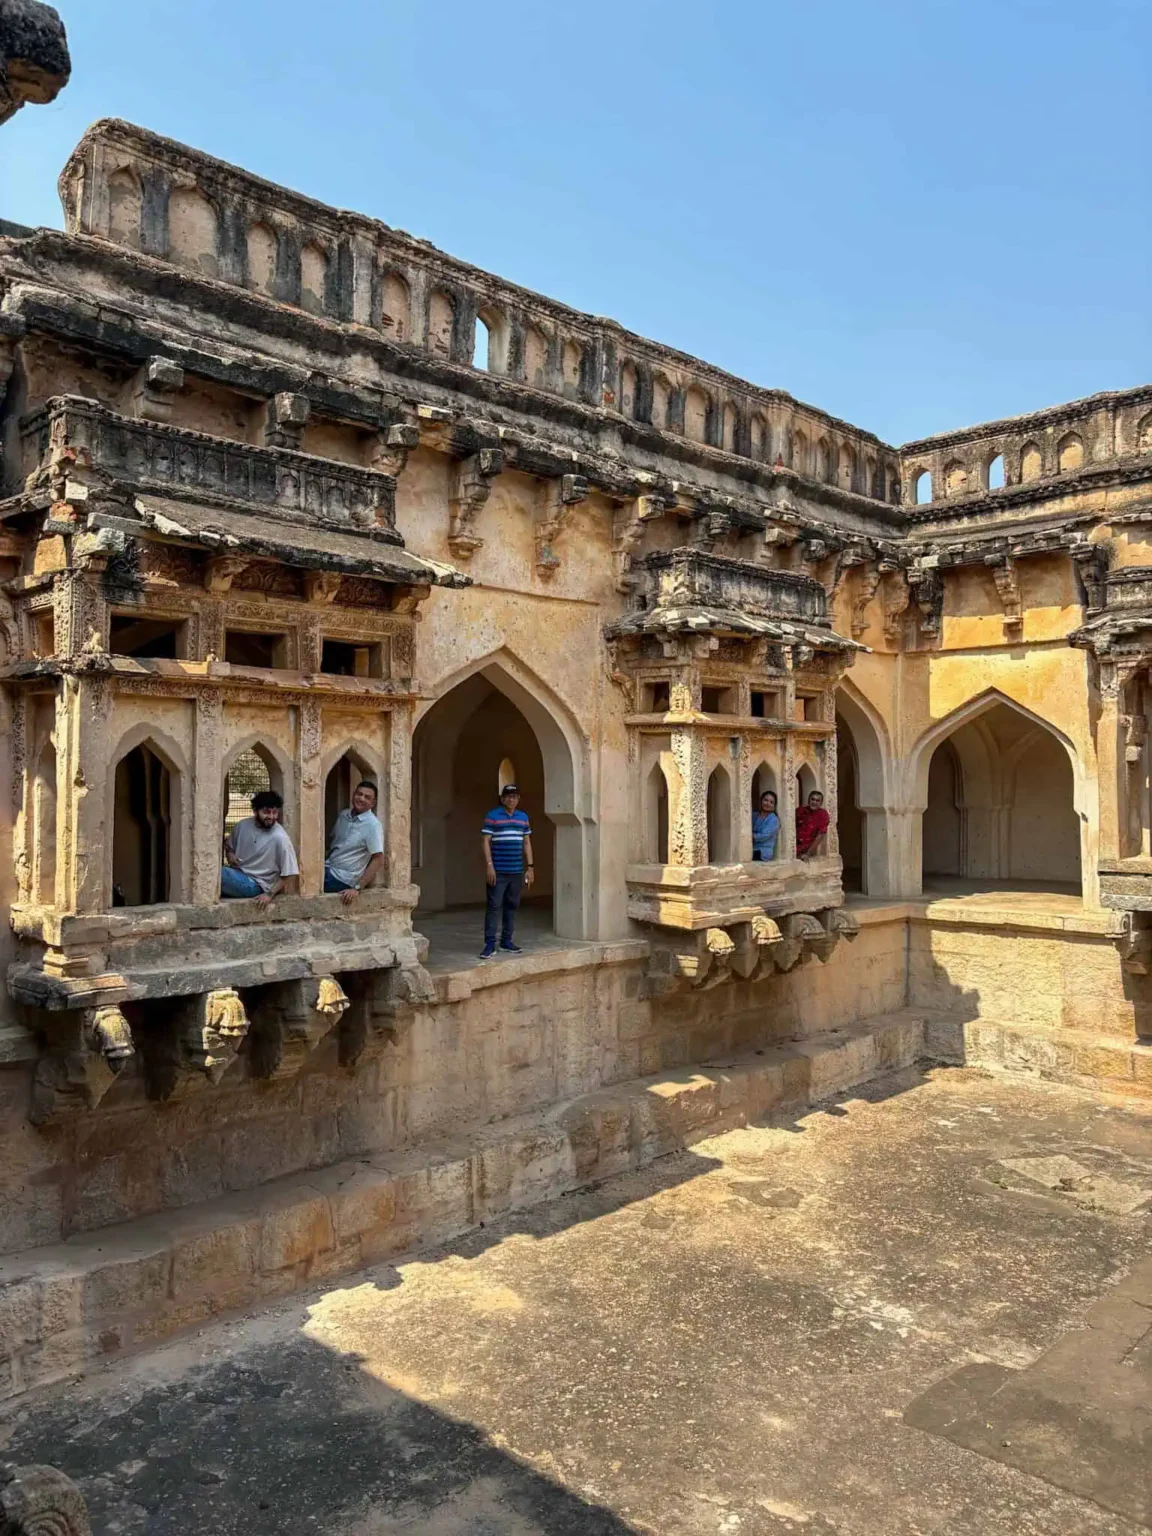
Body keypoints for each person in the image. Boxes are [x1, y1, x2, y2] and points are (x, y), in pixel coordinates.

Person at [480, 782, 534, 958]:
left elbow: (527, 842)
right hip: (498, 871)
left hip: (516, 871)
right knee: (494, 906)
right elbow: (486, 841)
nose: (512, 799)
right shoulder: (493, 816)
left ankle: (506, 941)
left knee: (512, 905)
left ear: (518, 799)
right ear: (503, 798)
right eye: (509, 796)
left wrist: (530, 867)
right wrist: (490, 866)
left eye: (515, 796)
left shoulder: (523, 818)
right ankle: (489, 945)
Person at [221, 789, 299, 909]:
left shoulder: (280, 837)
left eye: (274, 812)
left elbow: (289, 873)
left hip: (257, 885)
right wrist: (230, 855)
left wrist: (269, 894)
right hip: (238, 874)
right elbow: (229, 848)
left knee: (219, 873)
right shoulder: (242, 826)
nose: (271, 817)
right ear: (255, 811)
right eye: (266, 812)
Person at [324, 780, 386, 906]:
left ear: (373, 803)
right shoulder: (343, 815)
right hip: (328, 868)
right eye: (359, 794)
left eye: (367, 797)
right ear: (354, 795)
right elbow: (333, 844)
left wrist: (357, 888)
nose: (361, 799)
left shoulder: (372, 825)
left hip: (343, 878)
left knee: (302, 883)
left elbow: (378, 859)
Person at [796, 789, 830, 860]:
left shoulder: (823, 815)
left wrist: (807, 854)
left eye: (817, 801)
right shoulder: (800, 811)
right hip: (794, 849)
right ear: (809, 800)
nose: (814, 802)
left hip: (807, 851)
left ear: (821, 803)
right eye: (812, 799)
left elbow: (820, 836)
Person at [752, 789, 779, 861]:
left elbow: (764, 835)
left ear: (774, 805)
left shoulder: (773, 819)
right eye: (765, 800)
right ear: (761, 801)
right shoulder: (754, 815)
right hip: (751, 848)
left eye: (771, 802)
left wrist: (750, 836)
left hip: (763, 852)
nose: (767, 803)